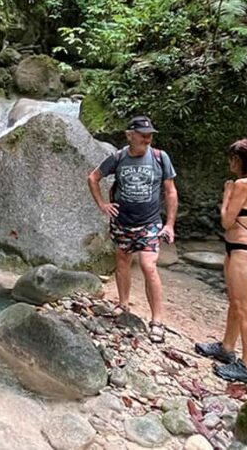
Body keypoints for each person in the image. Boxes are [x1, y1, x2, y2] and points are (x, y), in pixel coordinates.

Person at [87, 116, 178, 343]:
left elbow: (171, 192)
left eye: (150, 134)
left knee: (149, 267)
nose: (147, 138)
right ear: (130, 135)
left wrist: (169, 224)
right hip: (122, 222)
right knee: (122, 262)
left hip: (149, 223)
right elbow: (93, 177)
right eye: (143, 134)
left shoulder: (160, 157)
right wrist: (102, 205)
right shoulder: (118, 158)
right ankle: (123, 304)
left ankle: (157, 321)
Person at [195, 139, 247, 384]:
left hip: (244, 252)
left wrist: (227, 194)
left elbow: (227, 221)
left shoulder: (242, 185)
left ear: (238, 161)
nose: (230, 162)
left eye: (231, 158)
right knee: (236, 303)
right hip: (241, 250)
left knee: (245, 309)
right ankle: (226, 348)